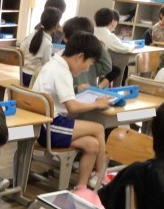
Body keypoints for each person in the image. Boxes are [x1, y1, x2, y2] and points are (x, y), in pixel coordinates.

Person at [32, 32, 110, 192]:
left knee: (92, 144)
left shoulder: (55, 63)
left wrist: (78, 92)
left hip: (43, 125)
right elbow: (72, 108)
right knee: (99, 128)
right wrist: (97, 104)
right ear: (80, 57)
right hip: (49, 127)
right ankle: (100, 176)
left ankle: (81, 188)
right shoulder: (62, 71)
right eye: (89, 63)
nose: (87, 68)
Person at [62, 16, 115, 91]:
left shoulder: (89, 58)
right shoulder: (65, 60)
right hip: (75, 96)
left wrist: (95, 43)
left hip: (90, 94)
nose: (86, 69)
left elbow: (107, 67)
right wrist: (76, 89)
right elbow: (61, 89)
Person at [20, 7, 61, 87]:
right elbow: (47, 65)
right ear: (56, 26)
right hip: (33, 78)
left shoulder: (33, 33)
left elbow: (22, 48)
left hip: (22, 74)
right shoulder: (47, 44)